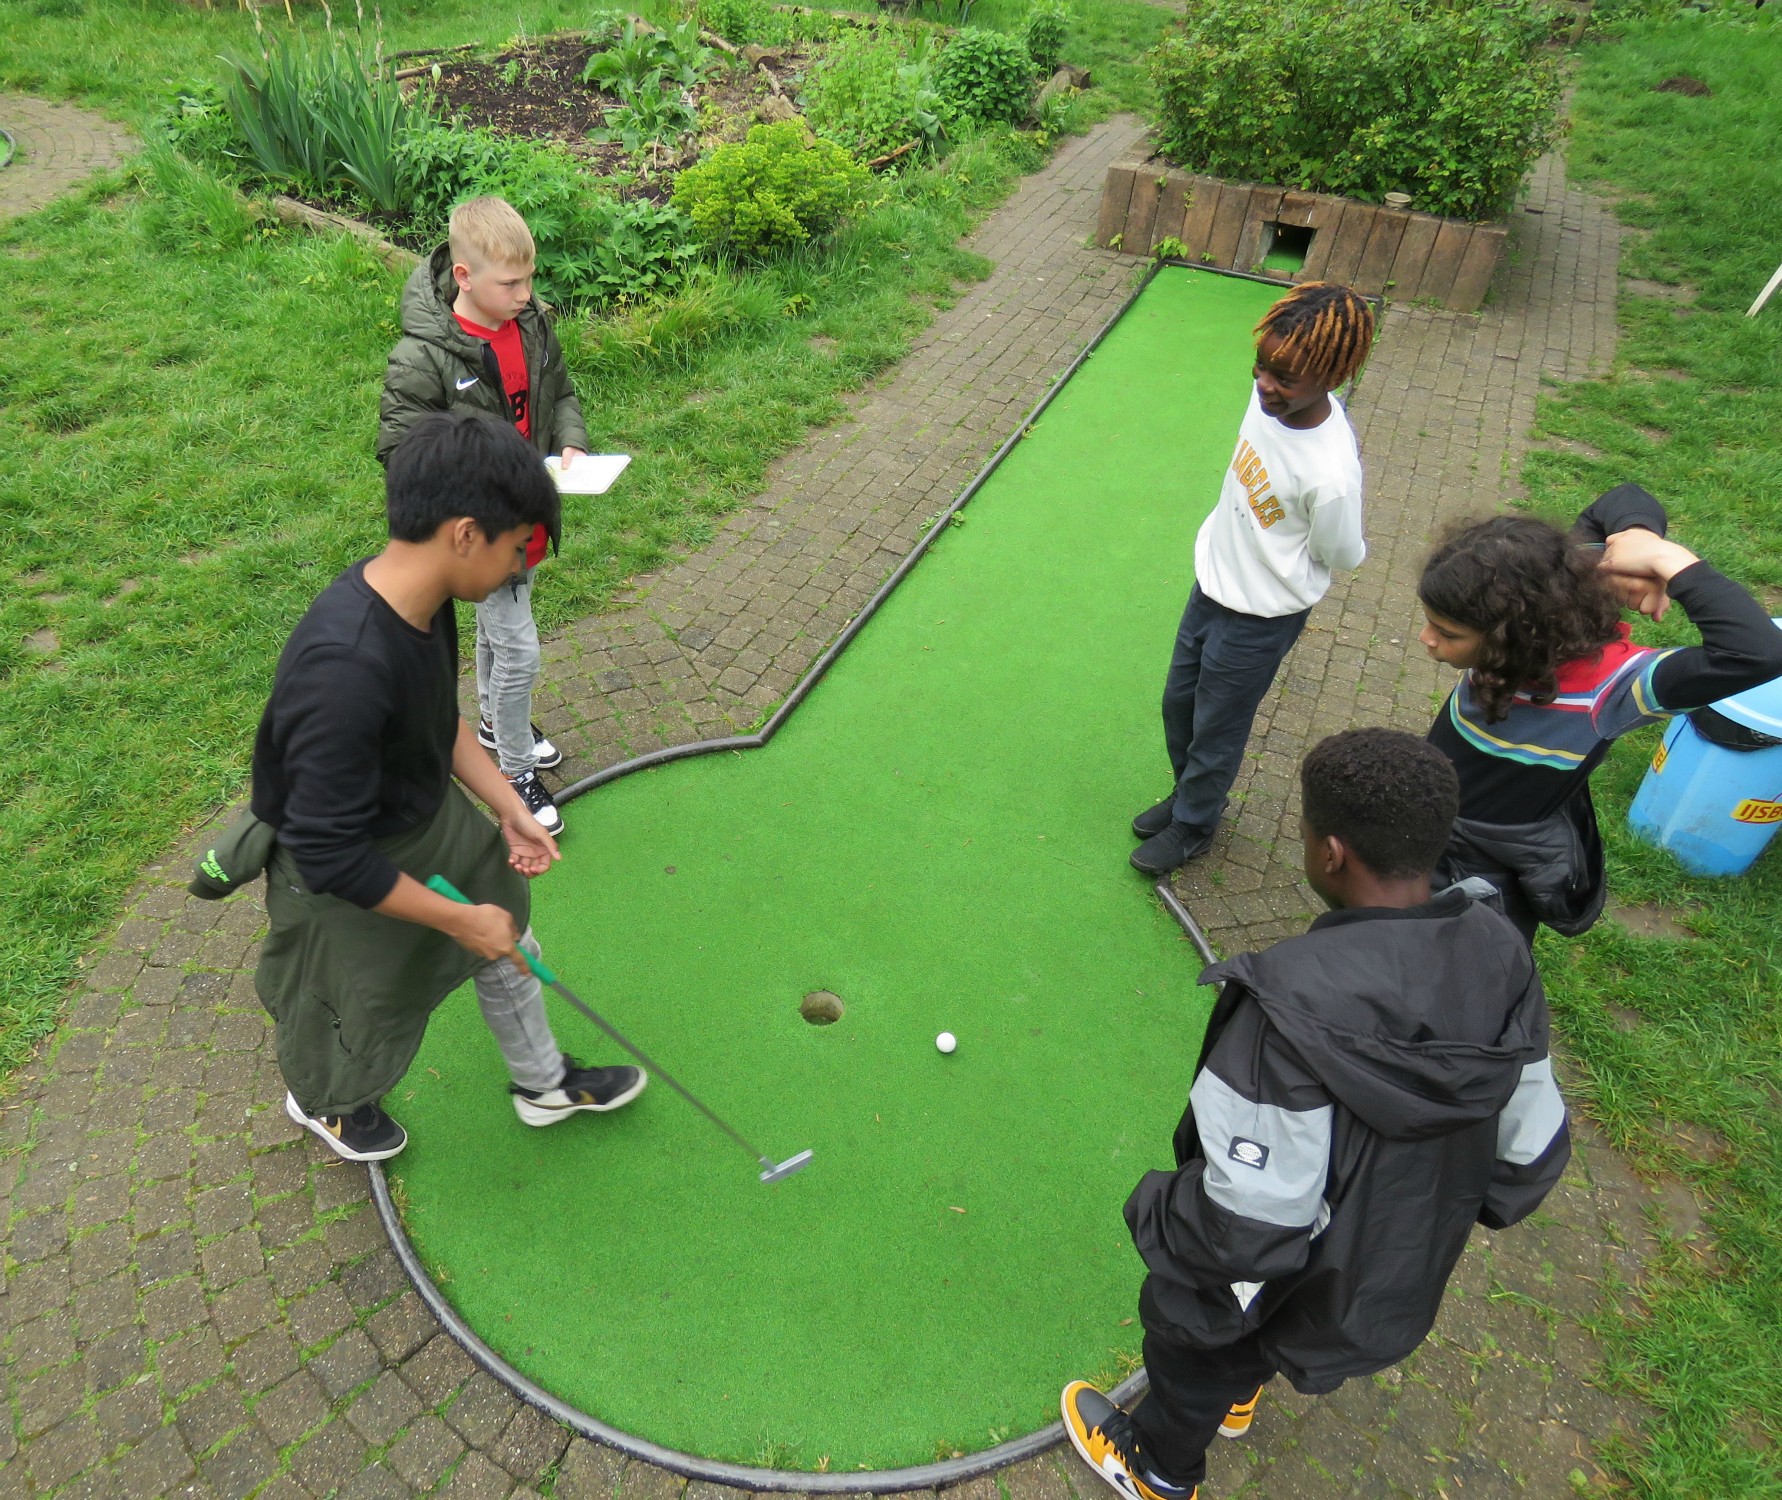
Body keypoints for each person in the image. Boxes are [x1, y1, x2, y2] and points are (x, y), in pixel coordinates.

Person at [1066, 728, 1569, 1500]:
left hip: (1283, 1269)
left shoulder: (1285, 1006)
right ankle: (1241, 1392)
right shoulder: (1500, 947)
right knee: (1261, 1335)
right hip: (1390, 1264)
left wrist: (1157, 1213)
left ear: (1330, 853)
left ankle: (1159, 1467)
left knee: (1194, 1339)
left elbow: (1247, 1231)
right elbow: (1527, 1155)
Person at [253, 412, 644, 1163]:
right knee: (360, 1003)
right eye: (514, 549)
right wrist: (458, 923)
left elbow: (438, 719)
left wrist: (507, 807)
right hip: (339, 861)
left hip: (418, 814)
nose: (515, 569)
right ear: (465, 533)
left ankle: (543, 1085)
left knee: (508, 936)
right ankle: (324, 1101)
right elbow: (329, 855)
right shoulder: (343, 673)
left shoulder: (421, 601)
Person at [1418, 483, 1782, 944]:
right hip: (1429, 814)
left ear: (1519, 634)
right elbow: (1624, 497)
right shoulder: (1544, 589)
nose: (1427, 640)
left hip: (1485, 869)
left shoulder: (1614, 688)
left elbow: (1758, 652)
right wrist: (1634, 538)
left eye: (1447, 633)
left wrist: (1669, 561)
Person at [1132, 282, 1376, 875]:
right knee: (1179, 704)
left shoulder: (1331, 472)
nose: (1265, 384)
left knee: (1218, 723)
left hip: (1261, 616)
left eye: (1284, 379)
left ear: (1331, 376)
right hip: (1211, 585)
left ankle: (1194, 824)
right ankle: (1187, 793)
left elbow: (1342, 553)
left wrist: (1279, 561)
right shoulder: (1267, 398)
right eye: (1261, 368)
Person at [378, 195, 591, 836]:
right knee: (520, 652)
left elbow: (560, 392)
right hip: (479, 538)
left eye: (529, 279)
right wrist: (472, 503)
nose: (527, 294)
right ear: (464, 278)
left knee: (501, 635)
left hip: (524, 517)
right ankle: (514, 774)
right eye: (512, 283)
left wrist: (568, 442)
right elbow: (400, 452)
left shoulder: (530, 326)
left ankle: (499, 724)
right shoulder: (423, 358)